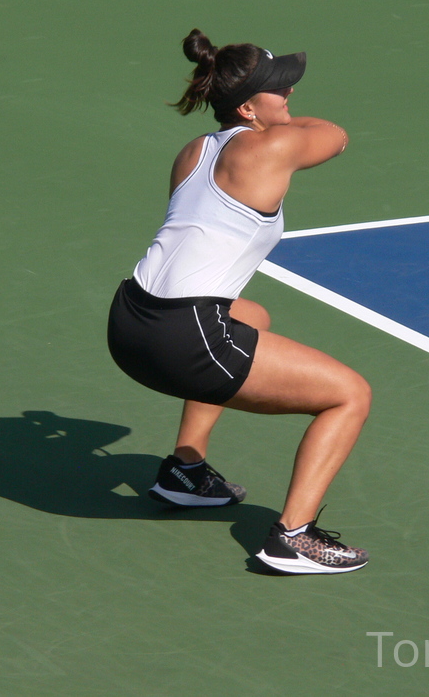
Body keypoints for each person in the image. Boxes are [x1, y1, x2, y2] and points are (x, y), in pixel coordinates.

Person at [106, 29, 371, 574]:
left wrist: (267, 116)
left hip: (129, 320)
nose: (291, 97)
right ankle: (293, 537)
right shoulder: (273, 145)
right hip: (183, 338)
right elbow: (338, 136)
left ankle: (186, 469)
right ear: (248, 107)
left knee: (250, 315)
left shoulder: (193, 151)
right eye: (280, 90)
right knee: (349, 394)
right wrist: (279, 125)